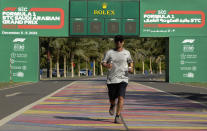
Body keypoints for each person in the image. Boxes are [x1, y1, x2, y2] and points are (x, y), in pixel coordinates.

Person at [102, 35, 133, 124]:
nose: (118, 42)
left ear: (123, 42)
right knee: (112, 98)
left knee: (121, 97)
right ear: (115, 42)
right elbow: (103, 62)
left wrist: (131, 68)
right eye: (117, 41)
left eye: (120, 41)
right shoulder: (109, 52)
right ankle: (112, 105)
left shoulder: (127, 52)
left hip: (123, 78)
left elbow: (130, 62)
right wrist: (106, 65)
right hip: (111, 79)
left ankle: (118, 116)